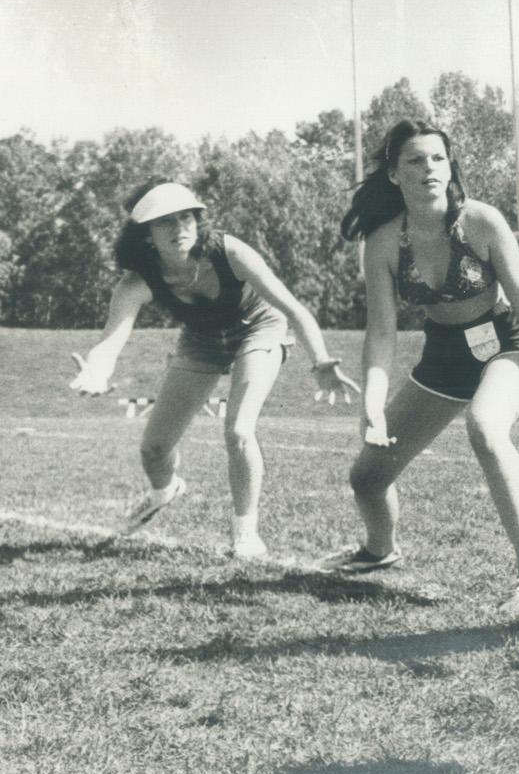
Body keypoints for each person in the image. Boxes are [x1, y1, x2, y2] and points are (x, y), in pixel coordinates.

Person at [326, 119, 519, 617]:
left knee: (484, 428)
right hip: (443, 357)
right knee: (367, 478)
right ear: (394, 175)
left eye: (438, 158)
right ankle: (379, 550)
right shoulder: (382, 243)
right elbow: (381, 333)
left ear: (450, 165)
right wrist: (372, 407)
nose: (429, 169)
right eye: (415, 161)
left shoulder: (481, 221)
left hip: (505, 346)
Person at [69, 180, 360, 558]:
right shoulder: (136, 281)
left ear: (198, 220)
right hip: (201, 340)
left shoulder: (229, 250)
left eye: (186, 217)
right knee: (154, 450)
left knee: (239, 429)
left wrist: (320, 361)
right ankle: (164, 491)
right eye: (165, 223)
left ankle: (246, 535)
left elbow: (293, 308)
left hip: (259, 328)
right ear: (146, 236)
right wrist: (96, 371)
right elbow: (112, 338)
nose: (179, 229)